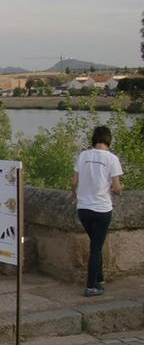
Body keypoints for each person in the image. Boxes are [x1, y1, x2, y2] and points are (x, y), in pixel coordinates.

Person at [71, 126, 123, 297]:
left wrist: (74, 194)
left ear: (94, 139)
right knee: (96, 247)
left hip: (83, 209)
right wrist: (120, 188)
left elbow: (74, 181)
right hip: (101, 209)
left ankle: (100, 280)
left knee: (96, 244)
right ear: (109, 140)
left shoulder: (83, 155)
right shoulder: (112, 159)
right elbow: (116, 188)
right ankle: (91, 286)